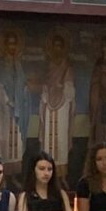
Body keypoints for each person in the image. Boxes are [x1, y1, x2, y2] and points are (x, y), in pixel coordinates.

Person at [0, 31, 30, 176]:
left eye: (15, 44)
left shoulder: (18, 65)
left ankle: (14, 175)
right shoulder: (1, 65)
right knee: (4, 143)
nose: (12, 47)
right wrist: (8, 101)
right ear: (5, 45)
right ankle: (3, 175)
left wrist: (24, 94)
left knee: (17, 143)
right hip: (5, 111)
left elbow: (23, 85)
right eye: (10, 44)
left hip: (18, 111)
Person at [39, 33, 75, 181]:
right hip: (49, 104)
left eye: (60, 46)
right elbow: (44, 84)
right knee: (48, 138)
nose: (57, 49)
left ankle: (62, 175)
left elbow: (69, 87)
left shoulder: (67, 67)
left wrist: (62, 87)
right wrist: (46, 91)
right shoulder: (48, 66)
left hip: (62, 106)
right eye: (55, 46)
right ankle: (47, 175)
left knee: (61, 139)